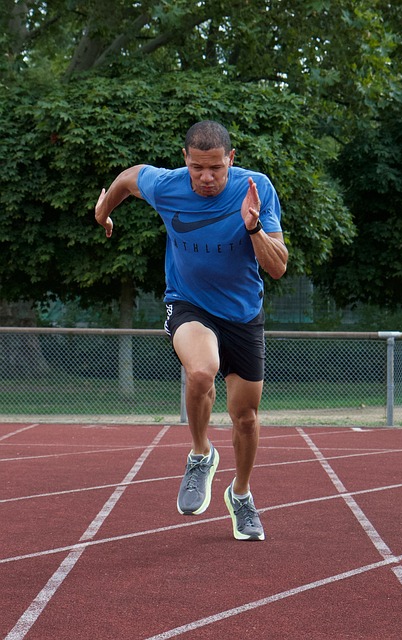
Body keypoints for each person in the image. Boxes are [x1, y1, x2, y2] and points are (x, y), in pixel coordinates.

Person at [95, 120, 288, 541]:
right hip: (188, 303)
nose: (206, 177)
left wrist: (253, 226)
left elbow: (277, 267)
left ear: (231, 160)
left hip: (242, 314)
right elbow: (128, 178)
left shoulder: (256, 188)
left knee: (246, 418)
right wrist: (103, 211)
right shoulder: (166, 185)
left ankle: (240, 495)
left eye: (216, 168)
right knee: (201, 371)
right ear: (185, 160)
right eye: (197, 168)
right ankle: (201, 454)